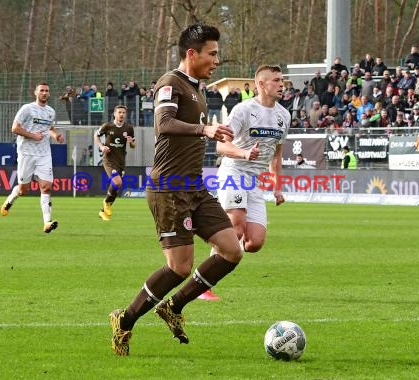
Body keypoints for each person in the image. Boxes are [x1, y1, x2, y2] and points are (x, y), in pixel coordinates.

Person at [108, 23, 241, 357]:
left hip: (193, 186)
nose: (216, 60)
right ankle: (125, 319)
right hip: (169, 187)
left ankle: (174, 306)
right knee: (180, 266)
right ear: (191, 53)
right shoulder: (170, 83)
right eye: (212, 53)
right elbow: (164, 125)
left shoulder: (197, 89)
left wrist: (207, 131)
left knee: (231, 250)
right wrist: (204, 129)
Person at [198, 64, 288, 302]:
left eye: (282, 80)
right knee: (235, 228)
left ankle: (222, 245)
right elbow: (221, 146)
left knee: (254, 242)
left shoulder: (284, 115)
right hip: (234, 171)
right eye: (276, 80)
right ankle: (202, 285)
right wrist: (244, 153)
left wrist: (277, 187)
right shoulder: (243, 110)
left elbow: (277, 155)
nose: (282, 84)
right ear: (261, 84)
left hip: (256, 181)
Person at [0, 82, 64, 233]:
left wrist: (56, 136)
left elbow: (50, 128)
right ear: (35, 92)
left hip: (44, 154)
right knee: (23, 190)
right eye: (41, 90)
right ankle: (9, 200)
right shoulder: (27, 109)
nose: (44, 93)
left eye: (46, 91)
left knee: (46, 187)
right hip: (26, 153)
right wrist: (32, 136)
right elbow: (15, 128)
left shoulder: (50, 111)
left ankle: (47, 222)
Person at [95, 105, 136, 221]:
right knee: (117, 182)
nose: (121, 114)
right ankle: (106, 202)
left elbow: (133, 145)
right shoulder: (107, 126)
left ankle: (103, 212)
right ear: (115, 114)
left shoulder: (129, 128)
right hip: (109, 160)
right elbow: (96, 136)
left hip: (121, 161)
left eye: (123, 112)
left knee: (116, 187)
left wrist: (131, 142)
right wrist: (102, 146)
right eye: (119, 112)